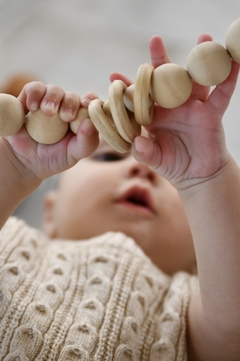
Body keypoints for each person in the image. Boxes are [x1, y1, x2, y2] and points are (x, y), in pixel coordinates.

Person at [0, 32, 240, 361]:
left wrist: (205, 179)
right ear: (50, 214)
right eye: (109, 157)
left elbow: (233, 328)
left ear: (199, 259)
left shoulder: (191, 310)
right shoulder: (14, 244)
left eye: (170, 180)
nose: (141, 170)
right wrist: (15, 169)